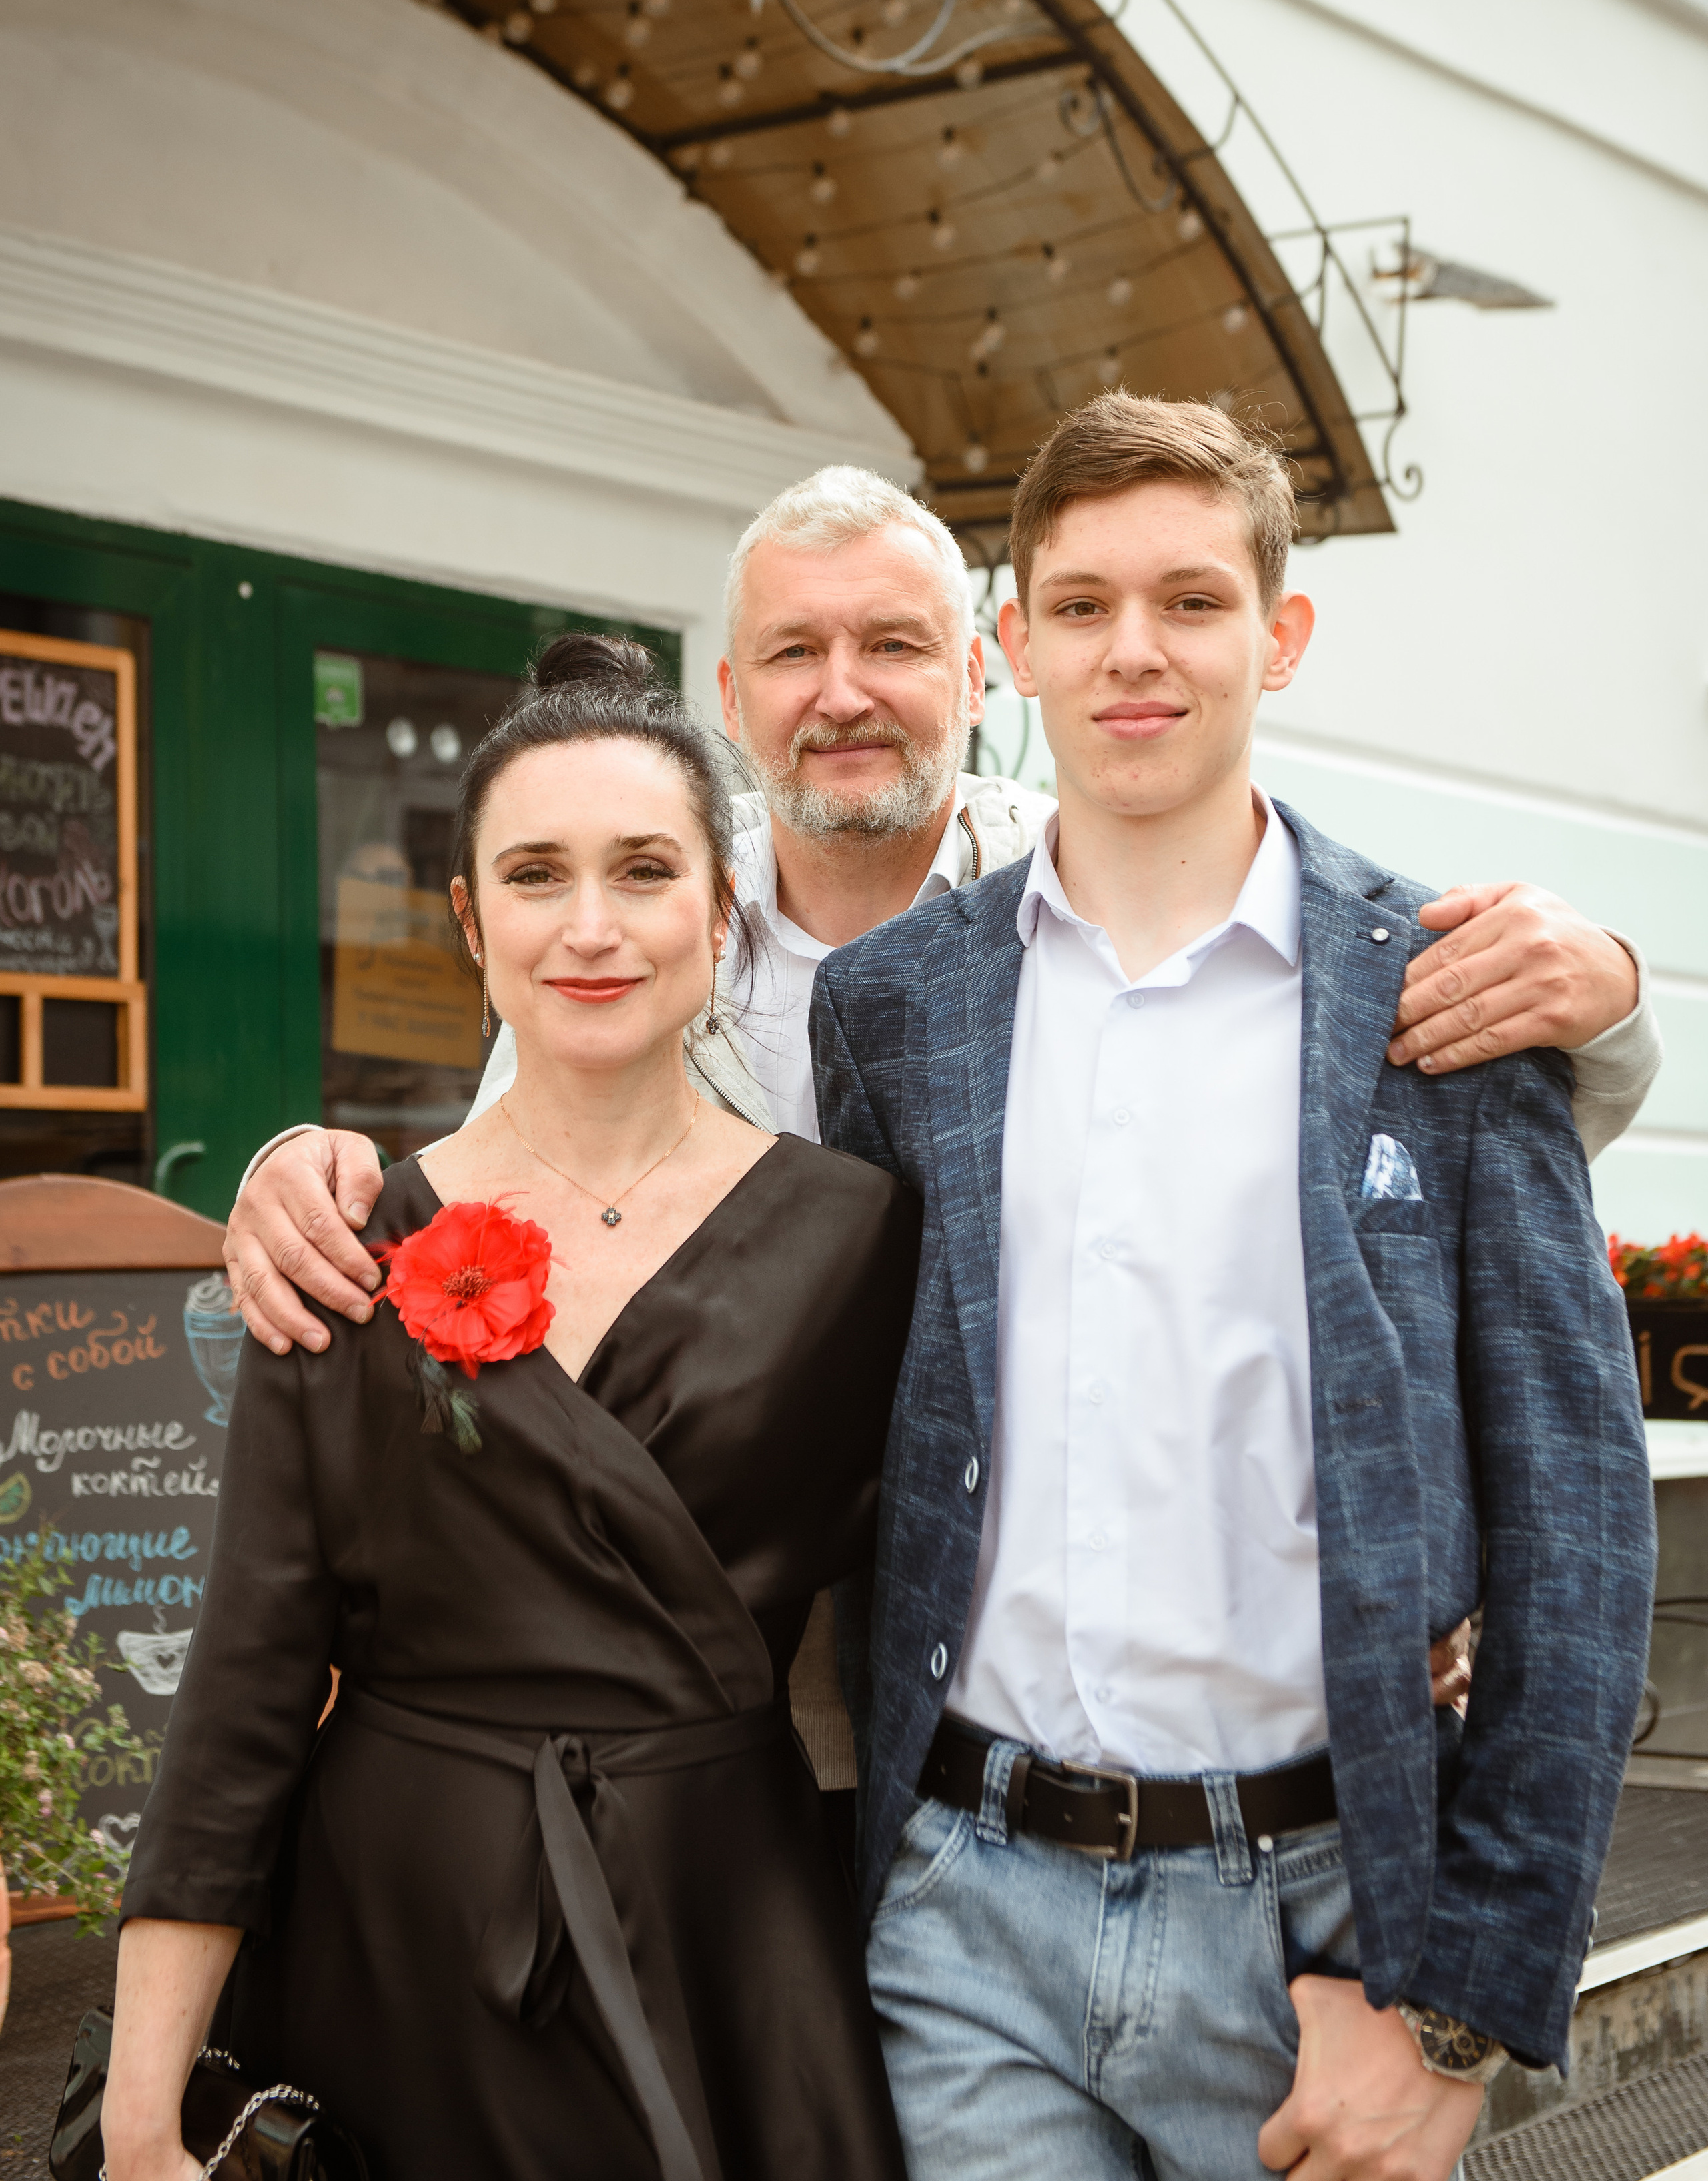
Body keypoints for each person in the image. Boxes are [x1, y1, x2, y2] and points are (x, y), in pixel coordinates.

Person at [221, 467, 1662, 1810]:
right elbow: (503, 1192)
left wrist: (1610, 1003)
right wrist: (313, 1170)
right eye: (793, 652)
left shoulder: (1101, 885)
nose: (842, 693)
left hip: (1020, 1722)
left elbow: (1396, 1133)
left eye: (895, 646)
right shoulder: (645, 910)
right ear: (731, 694)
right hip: (701, 1700)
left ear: (981, 669)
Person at [809, 395, 1656, 2181]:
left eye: (1191, 600)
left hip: (1323, 1936)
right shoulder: (896, 1009)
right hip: (967, 1922)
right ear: (1012, 643)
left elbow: (1578, 1529)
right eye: (1082, 604)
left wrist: (1454, 2006)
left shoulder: (1445, 995)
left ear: (1279, 636)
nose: (1135, 651)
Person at [101, 641, 947, 2181]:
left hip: (731, 1928)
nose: (592, 926)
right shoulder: (345, 1245)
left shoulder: (865, 1235)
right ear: (468, 924)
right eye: (536, 875)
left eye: (643, 871)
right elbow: (243, 1692)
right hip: (406, 1944)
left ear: (722, 910)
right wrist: (139, 2128)